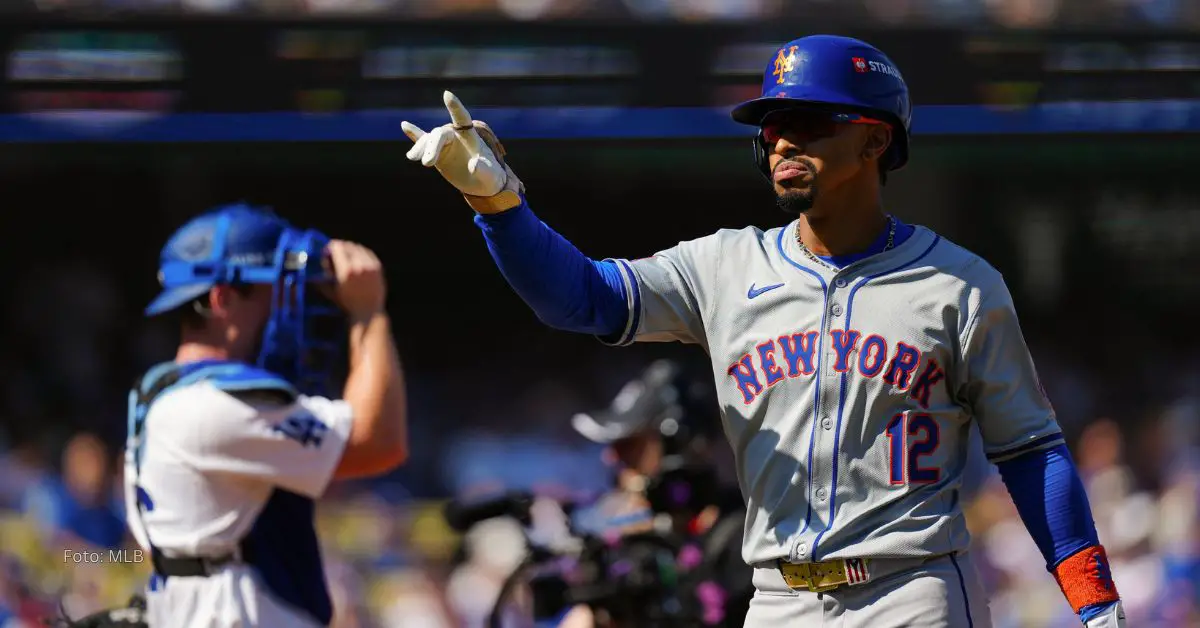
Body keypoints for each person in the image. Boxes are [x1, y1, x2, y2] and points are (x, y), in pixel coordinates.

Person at [400, 34, 1123, 628]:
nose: (779, 140)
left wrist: (1095, 603)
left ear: (875, 140)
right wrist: (499, 206)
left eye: (807, 123)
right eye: (770, 125)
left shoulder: (961, 285)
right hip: (775, 598)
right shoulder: (722, 266)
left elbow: (1032, 455)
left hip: (911, 592)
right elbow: (581, 300)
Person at [122, 203, 408, 628]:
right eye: (277, 291)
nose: (292, 310)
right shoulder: (217, 403)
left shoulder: (158, 392)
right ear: (222, 299)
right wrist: (369, 313)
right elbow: (377, 443)